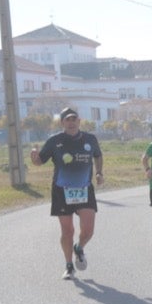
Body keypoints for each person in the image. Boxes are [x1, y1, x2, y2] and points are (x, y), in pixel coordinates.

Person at [29, 107, 104, 280]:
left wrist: (99, 172)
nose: (71, 123)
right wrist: (35, 159)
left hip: (85, 189)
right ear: (63, 123)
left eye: (74, 119)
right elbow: (41, 160)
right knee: (67, 230)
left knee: (88, 230)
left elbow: (98, 156)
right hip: (62, 190)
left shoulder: (90, 139)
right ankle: (69, 265)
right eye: (67, 120)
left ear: (79, 122)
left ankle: (79, 247)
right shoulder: (55, 141)